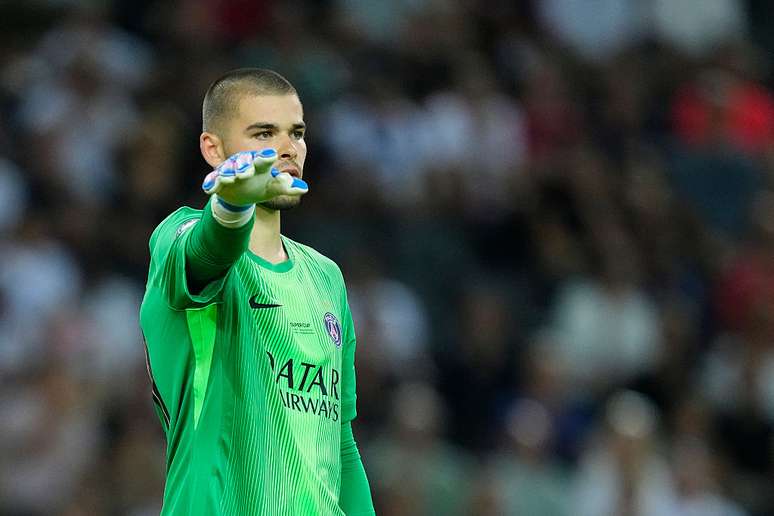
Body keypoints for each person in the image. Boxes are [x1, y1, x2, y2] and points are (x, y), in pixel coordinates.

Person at [139, 68, 375, 515]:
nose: (287, 149)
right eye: (264, 132)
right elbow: (209, 253)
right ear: (214, 148)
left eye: (297, 133)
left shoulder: (326, 277)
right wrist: (231, 208)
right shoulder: (176, 236)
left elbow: (340, 448)